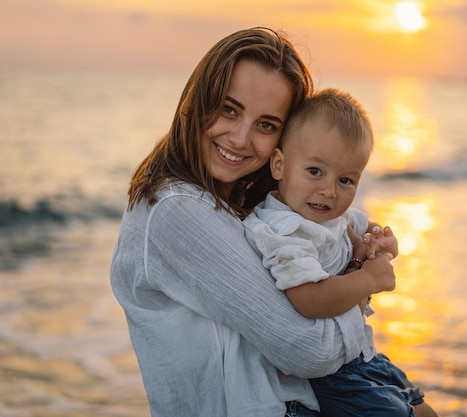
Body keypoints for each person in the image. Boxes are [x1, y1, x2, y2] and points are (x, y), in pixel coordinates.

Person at [110, 27, 404, 417]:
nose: (240, 138)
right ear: (196, 101)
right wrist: (361, 283)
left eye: (266, 125)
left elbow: (345, 240)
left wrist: (360, 255)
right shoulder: (176, 209)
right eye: (228, 109)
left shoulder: (241, 201)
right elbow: (310, 352)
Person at [243, 88, 439, 417]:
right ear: (279, 164)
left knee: (424, 409)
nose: (329, 191)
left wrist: (381, 239)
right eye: (315, 172)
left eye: (346, 179)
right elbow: (310, 299)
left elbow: (366, 225)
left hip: (363, 356)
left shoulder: (325, 213)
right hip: (332, 379)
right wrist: (368, 279)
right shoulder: (283, 230)